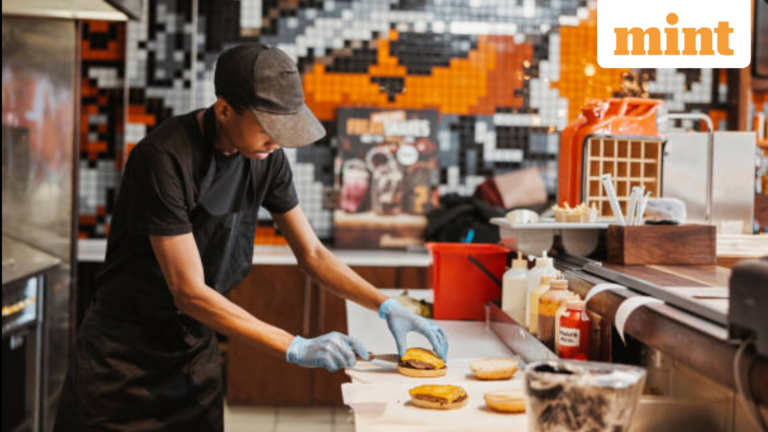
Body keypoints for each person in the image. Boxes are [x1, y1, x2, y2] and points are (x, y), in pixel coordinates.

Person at [54, 43, 448, 432]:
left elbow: (311, 252)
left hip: (192, 354)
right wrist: (295, 346)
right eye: (269, 127)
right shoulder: (163, 159)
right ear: (225, 109)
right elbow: (188, 291)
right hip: (122, 359)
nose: (277, 140)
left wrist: (385, 305)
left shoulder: (267, 158)